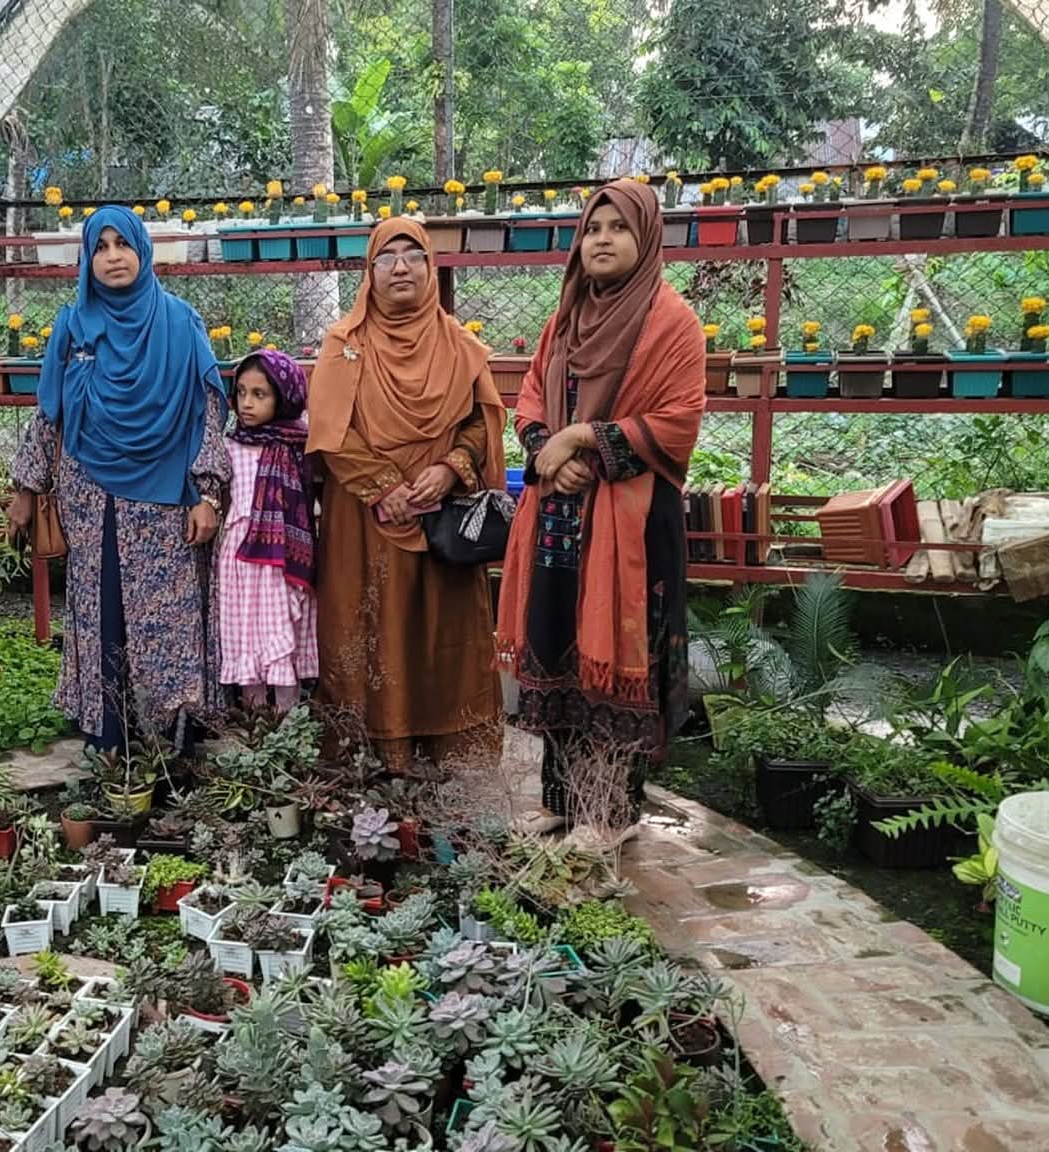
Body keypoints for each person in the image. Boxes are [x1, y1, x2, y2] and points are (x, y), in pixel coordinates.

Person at [495, 178, 705, 844]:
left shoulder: (672, 321)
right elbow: (530, 398)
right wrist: (548, 451)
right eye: (593, 228)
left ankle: (612, 813)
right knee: (560, 647)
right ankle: (564, 797)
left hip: (634, 524)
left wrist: (583, 438)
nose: (602, 240)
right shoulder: (567, 317)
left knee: (618, 660)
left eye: (618, 228)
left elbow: (677, 421)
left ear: (645, 238)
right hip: (559, 517)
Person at [7, 207, 229, 751]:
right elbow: (50, 411)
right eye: (100, 247)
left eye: (122, 244)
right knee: (98, 604)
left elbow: (208, 413)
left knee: (170, 609)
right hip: (90, 494)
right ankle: (109, 732)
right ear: (87, 258)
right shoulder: (73, 324)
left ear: (142, 252)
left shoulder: (180, 322)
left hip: (167, 493)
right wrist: (25, 488)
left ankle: (175, 727)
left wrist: (209, 493)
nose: (112, 257)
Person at [307, 217, 505, 773]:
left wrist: (452, 466)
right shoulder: (344, 345)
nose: (400, 267)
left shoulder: (461, 346)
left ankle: (453, 762)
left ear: (431, 269)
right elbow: (329, 431)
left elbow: (478, 422)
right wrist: (382, 487)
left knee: (443, 630)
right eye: (386, 257)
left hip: (441, 515)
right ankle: (375, 759)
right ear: (368, 273)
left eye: (413, 255)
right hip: (366, 519)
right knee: (373, 627)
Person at [217, 348, 318, 715]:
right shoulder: (230, 445)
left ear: (285, 396)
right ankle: (254, 719)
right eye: (241, 393)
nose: (247, 403)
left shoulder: (302, 446)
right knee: (245, 629)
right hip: (241, 556)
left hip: (283, 559)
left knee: (281, 631)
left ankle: (288, 719)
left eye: (259, 395)